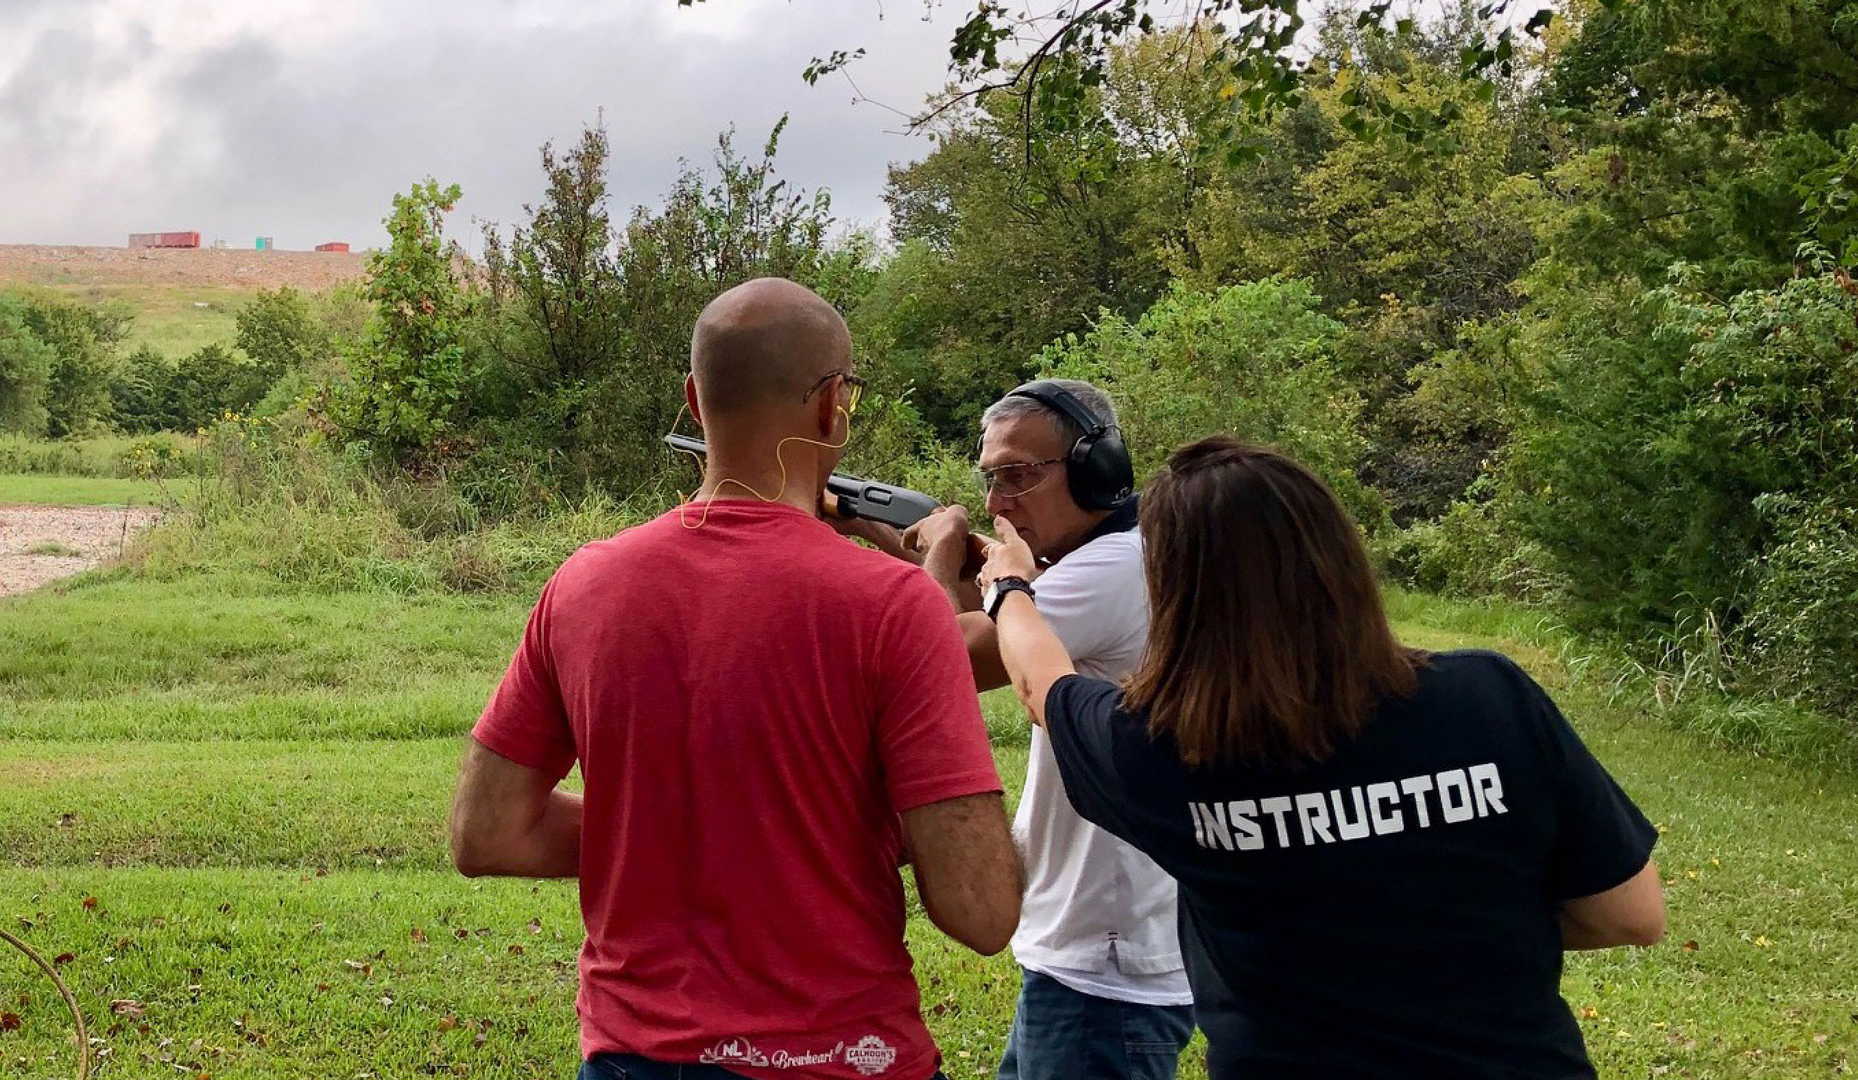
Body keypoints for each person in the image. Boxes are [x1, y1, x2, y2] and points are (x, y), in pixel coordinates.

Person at [449, 277, 1023, 1080]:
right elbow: (982, 910)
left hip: (631, 1058)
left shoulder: (582, 585)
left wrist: (674, 833)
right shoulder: (895, 605)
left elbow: (486, 833)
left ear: (694, 400)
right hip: (837, 1059)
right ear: (832, 407)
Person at [974, 433, 1667, 1078]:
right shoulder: (1491, 695)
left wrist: (1011, 589)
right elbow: (1631, 914)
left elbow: (1041, 685)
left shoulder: (1164, 748)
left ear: (1179, 595)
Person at [844, 379, 1193, 1080]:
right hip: (1098, 953)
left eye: (1019, 476)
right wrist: (881, 528)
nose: (998, 501)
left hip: (1102, 968)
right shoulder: (1114, 557)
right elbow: (992, 605)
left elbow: (942, 655)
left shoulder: (1104, 572)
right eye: (990, 479)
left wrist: (941, 556)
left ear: (1100, 469)